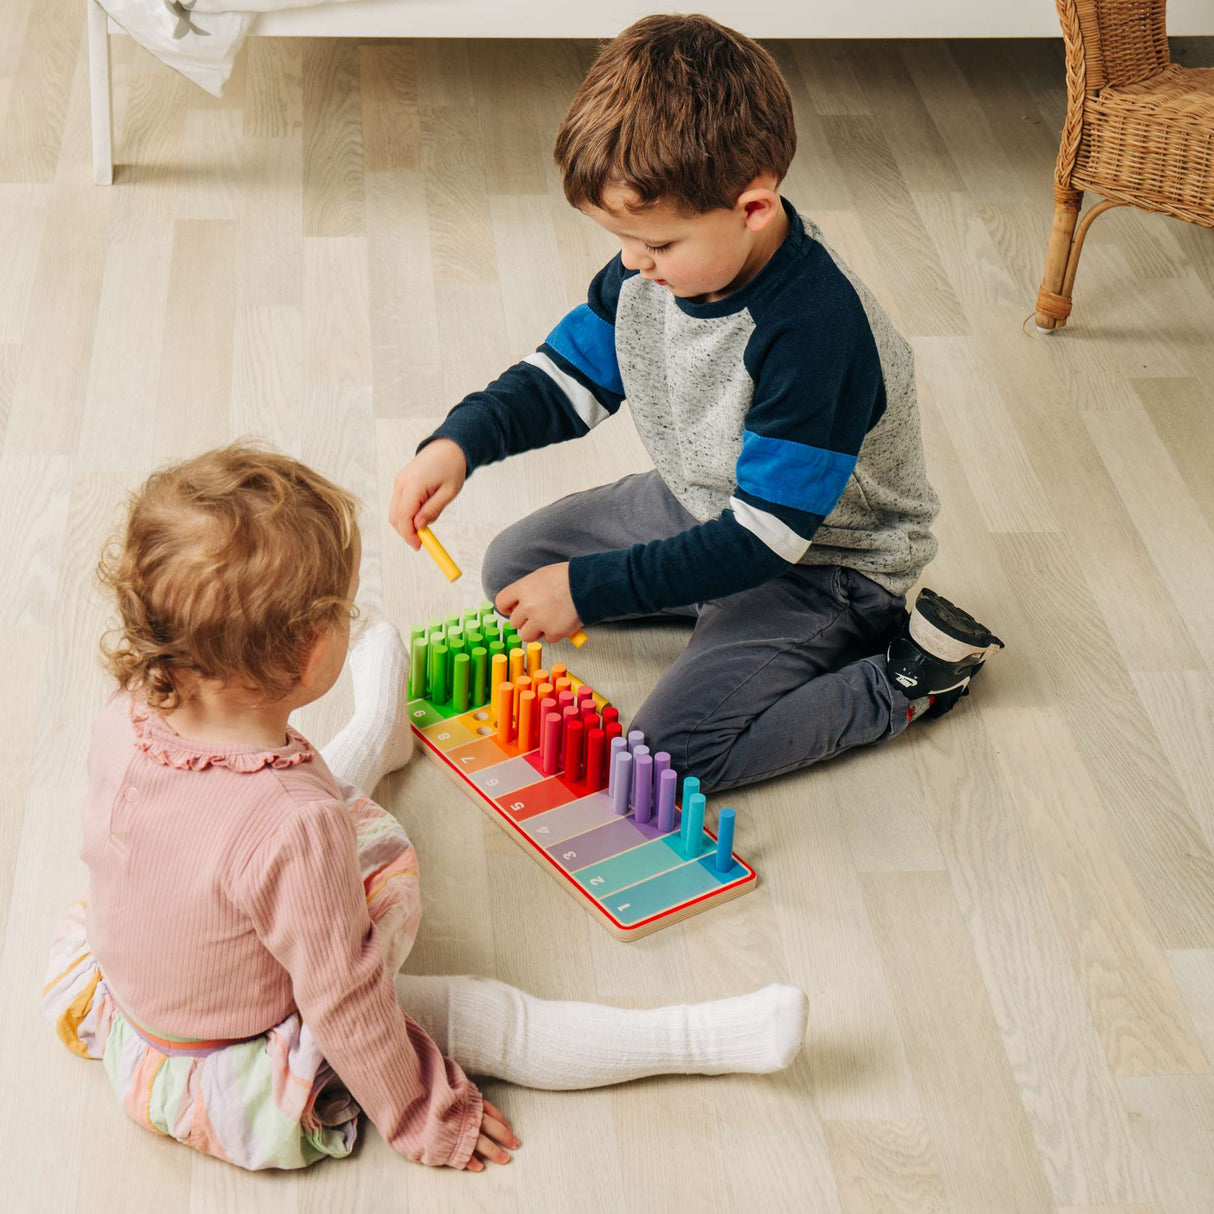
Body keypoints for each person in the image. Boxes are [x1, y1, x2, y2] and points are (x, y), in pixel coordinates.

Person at [42, 443, 808, 1172]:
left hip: (136, 997)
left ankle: (380, 730)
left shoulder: (131, 708)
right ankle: (695, 1039)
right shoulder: (295, 826)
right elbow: (343, 1001)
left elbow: (244, 827)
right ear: (309, 653)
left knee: (289, 814)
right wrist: (419, 1114)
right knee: (482, 1017)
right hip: (237, 1056)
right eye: (343, 610)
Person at [389, 14, 1004, 794]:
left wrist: (591, 588)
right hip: (703, 502)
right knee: (512, 569)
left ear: (753, 209)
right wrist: (460, 442)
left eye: (657, 244)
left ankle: (905, 684)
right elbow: (563, 378)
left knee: (665, 761)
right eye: (622, 239)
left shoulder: (816, 331)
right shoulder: (649, 271)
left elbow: (766, 538)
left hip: (822, 565)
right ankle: (713, 603)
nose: (633, 264)